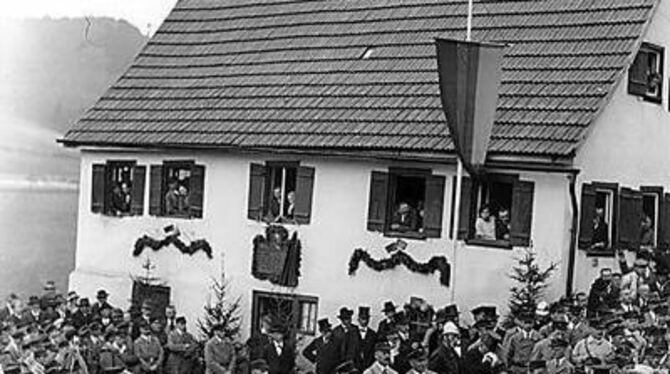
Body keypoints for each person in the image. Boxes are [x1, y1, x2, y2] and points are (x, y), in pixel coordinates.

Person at [356, 307, 377, 372]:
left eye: (366, 319)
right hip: (354, 368)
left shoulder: (373, 334)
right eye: (362, 318)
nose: (364, 321)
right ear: (358, 319)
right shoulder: (351, 334)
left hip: (369, 368)